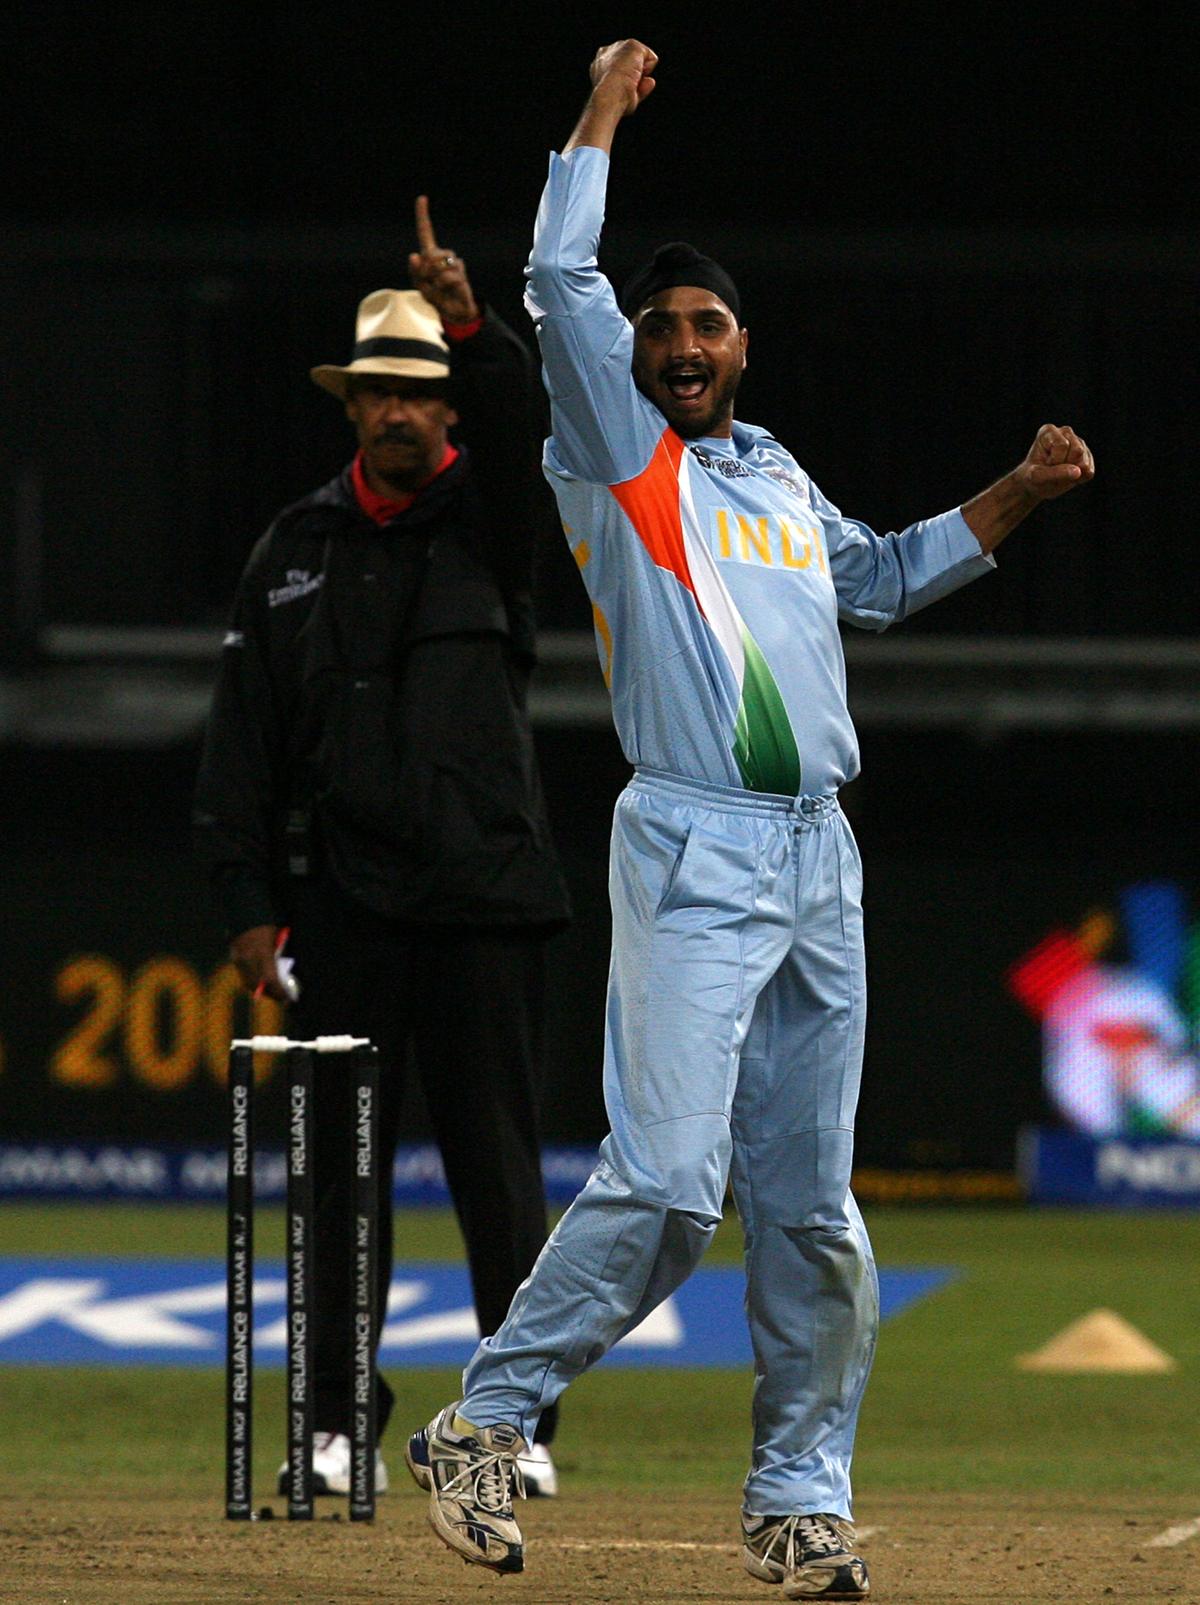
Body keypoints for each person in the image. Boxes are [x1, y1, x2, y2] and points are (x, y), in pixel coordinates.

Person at [407, 38, 1095, 1599]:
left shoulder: (774, 476)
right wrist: (597, 107)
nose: (684, 342)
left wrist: (1021, 494)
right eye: (662, 327)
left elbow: (886, 580)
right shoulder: (610, 451)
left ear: (743, 345)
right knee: (664, 1182)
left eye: (709, 321)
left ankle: (798, 1491)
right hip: (696, 843)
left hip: (816, 853)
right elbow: (554, 271)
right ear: (632, 358)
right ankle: (486, 1417)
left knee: (816, 1211)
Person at [194, 198, 570, 1500]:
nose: (402, 411)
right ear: (351, 408)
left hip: (481, 903)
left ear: (449, 406)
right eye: (380, 394)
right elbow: (240, 742)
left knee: (501, 1185)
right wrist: (250, 903)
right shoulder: (292, 553)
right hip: (342, 911)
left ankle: (511, 1426)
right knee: (339, 1187)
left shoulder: (497, 522)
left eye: (423, 391)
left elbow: (530, 417)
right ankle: (338, 1424)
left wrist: (470, 315)